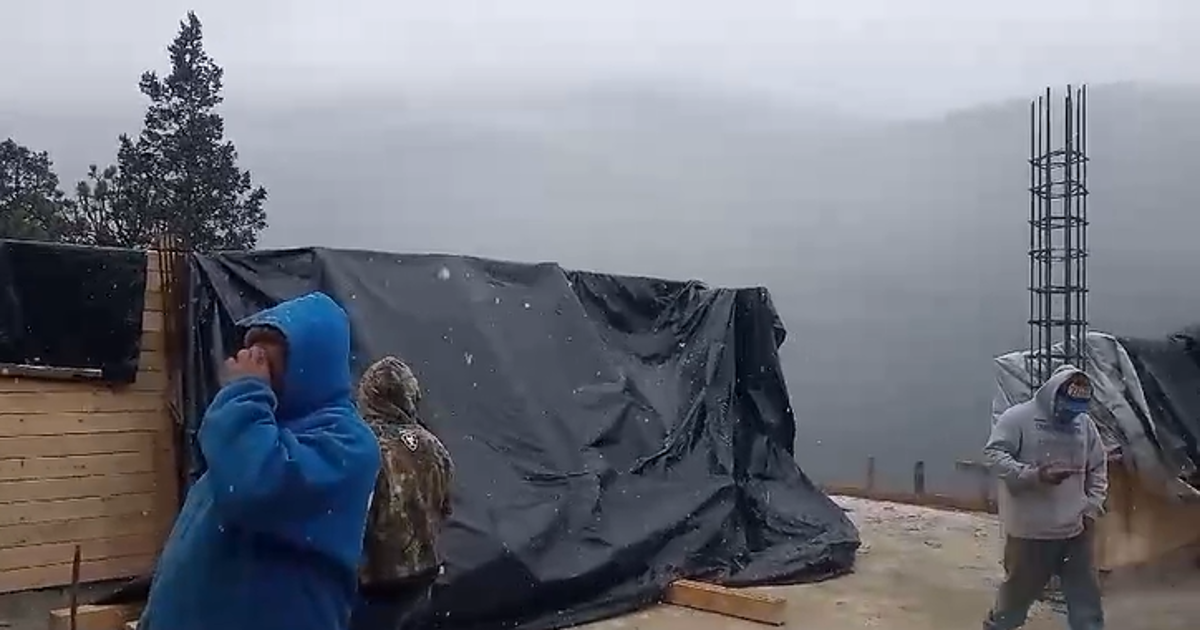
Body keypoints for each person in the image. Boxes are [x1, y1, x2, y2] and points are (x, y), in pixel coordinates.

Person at [139, 292, 382, 630]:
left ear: (311, 364)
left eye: (265, 356)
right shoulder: (260, 428)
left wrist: (246, 392)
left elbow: (255, 488)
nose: (252, 363)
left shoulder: (349, 443)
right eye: (251, 351)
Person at [982, 364, 1109, 630]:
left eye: (1077, 409)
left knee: (1086, 598)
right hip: (1030, 532)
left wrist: (1092, 507)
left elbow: (1098, 466)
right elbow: (994, 456)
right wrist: (1034, 475)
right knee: (1016, 597)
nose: (1070, 414)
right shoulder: (1018, 419)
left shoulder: (1084, 425)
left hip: (1075, 530)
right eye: (1067, 407)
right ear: (1054, 395)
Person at [352, 356, 455, 630]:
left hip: (378, 581)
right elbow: (445, 508)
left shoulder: (363, 446)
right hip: (425, 572)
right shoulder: (433, 445)